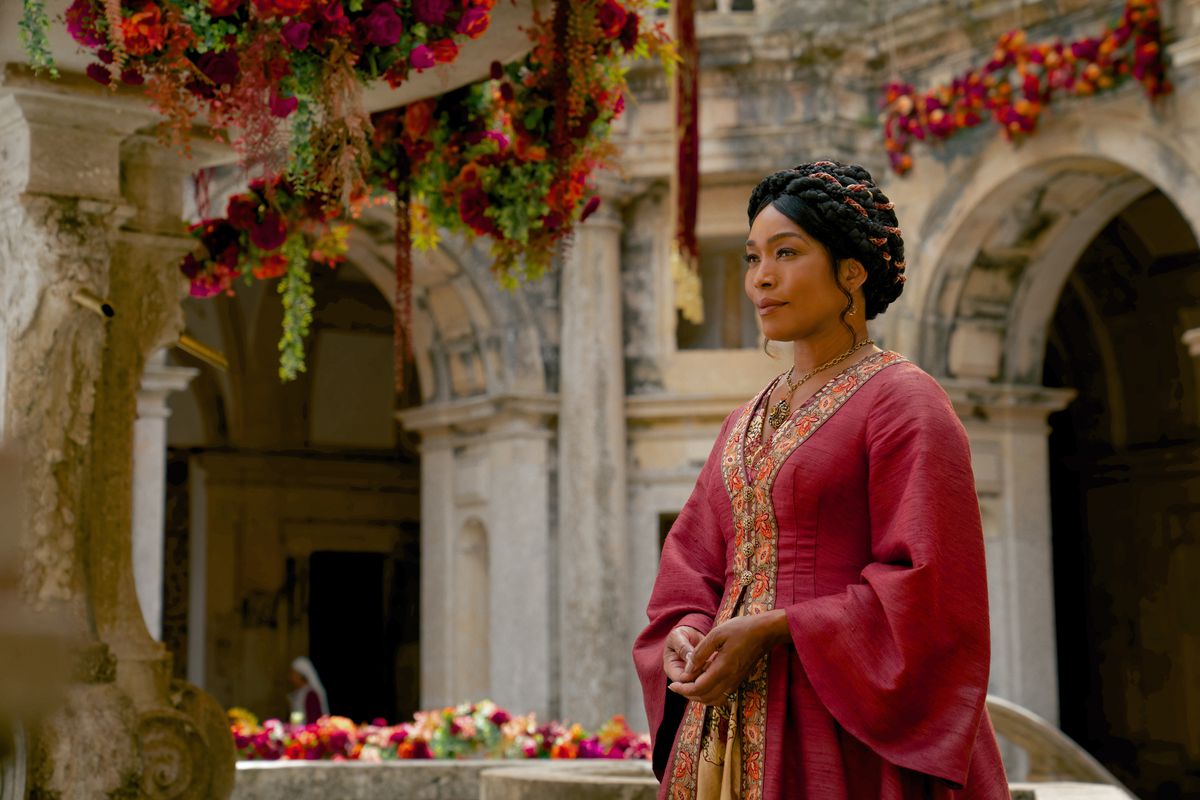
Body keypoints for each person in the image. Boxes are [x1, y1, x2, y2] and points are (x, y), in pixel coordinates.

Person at [633, 161, 1010, 799]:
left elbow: (932, 587)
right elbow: (692, 561)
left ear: (851, 273)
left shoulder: (904, 401)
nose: (762, 279)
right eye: (753, 258)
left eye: (787, 253)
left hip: (844, 726)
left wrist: (778, 627)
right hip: (722, 726)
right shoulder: (744, 421)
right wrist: (688, 627)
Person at [288, 656, 329, 724]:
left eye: (293, 673)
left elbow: (314, 721)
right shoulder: (298, 693)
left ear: (300, 675)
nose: (290, 677)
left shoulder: (310, 694)